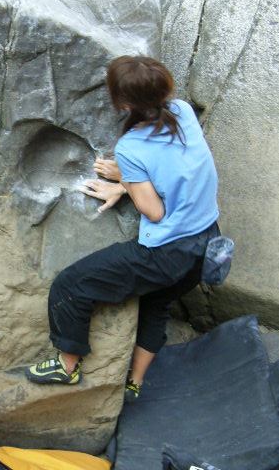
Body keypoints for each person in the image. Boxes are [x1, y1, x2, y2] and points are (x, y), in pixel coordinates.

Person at [26, 55, 220, 400]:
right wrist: (125, 184)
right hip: (207, 242)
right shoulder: (183, 113)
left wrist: (126, 178)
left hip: (167, 252)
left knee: (70, 285)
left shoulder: (131, 147)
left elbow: (154, 212)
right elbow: (179, 172)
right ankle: (135, 383)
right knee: (157, 302)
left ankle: (67, 367)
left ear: (125, 104)